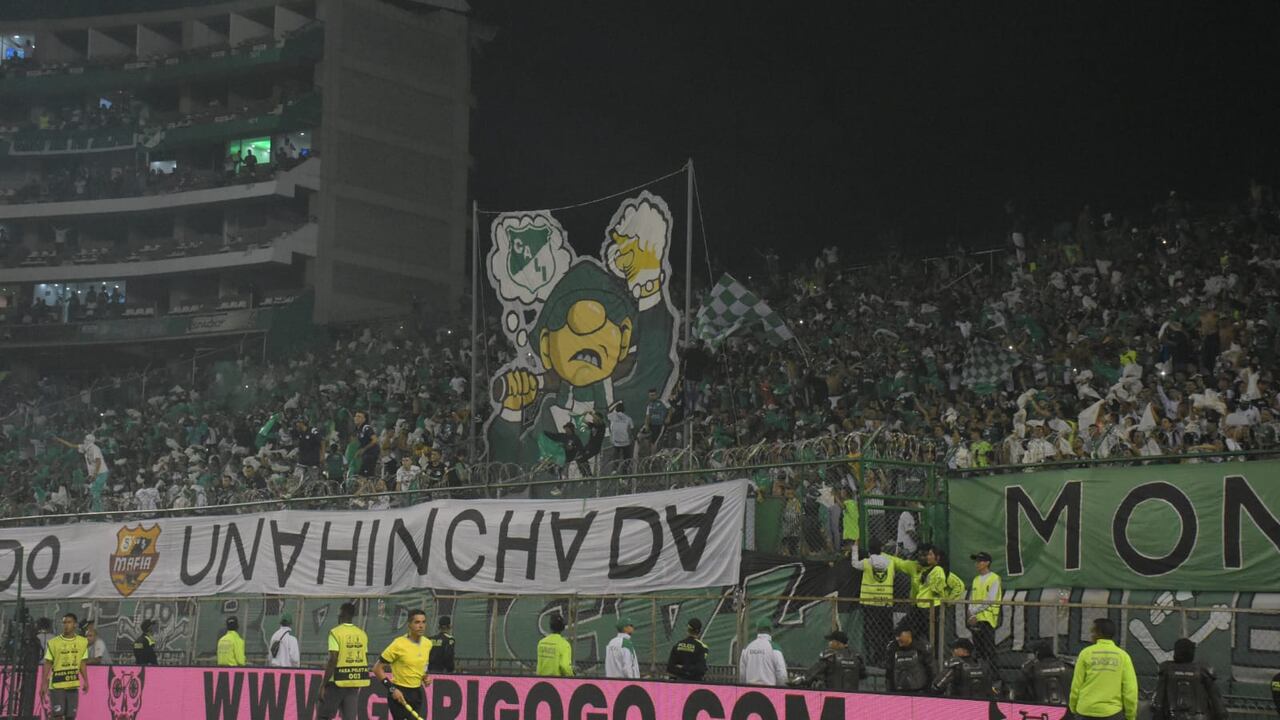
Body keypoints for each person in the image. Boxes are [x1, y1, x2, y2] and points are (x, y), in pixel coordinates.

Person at [1069, 618, 1138, 720]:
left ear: (1099, 633)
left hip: (1085, 711)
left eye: (1093, 631)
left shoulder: (1086, 653)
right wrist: (1130, 715)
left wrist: (1073, 707)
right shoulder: (1123, 656)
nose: (1091, 634)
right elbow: (1130, 689)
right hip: (1112, 712)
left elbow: (1076, 684)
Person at [372, 609, 433, 720]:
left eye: (423, 622)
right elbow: (377, 668)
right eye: (417, 622)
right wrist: (392, 689)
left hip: (417, 692)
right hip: (400, 692)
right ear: (409, 624)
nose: (421, 626)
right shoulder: (398, 644)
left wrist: (425, 677)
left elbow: (422, 667)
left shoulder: (427, 643)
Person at [1151, 638, 1227, 720]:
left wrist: (1157, 714)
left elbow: (1158, 700)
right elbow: (1216, 700)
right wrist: (1221, 714)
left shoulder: (1166, 670)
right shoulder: (1203, 671)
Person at [319, 602, 369, 720]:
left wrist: (323, 684)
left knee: (324, 716)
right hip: (353, 682)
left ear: (341, 613)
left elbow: (333, 660)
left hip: (336, 682)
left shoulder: (335, 633)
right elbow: (364, 658)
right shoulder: (362, 634)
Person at [851, 541, 895, 667]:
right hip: (886, 603)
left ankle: (873, 659)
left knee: (872, 633)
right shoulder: (890, 563)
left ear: (870, 551)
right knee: (886, 632)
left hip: (870, 604)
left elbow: (854, 564)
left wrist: (855, 548)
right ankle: (886, 658)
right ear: (881, 549)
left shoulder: (866, 563)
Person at [42, 613, 89, 720]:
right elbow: (48, 662)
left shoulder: (82, 642)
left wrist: (86, 680)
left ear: (75, 625)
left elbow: (82, 662)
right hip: (56, 685)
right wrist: (44, 684)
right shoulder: (54, 642)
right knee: (58, 716)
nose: (66, 625)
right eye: (64, 622)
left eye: (69, 622)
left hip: (72, 684)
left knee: (71, 717)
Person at [793, 630, 866, 691]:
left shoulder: (830, 656)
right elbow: (863, 675)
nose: (829, 643)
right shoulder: (857, 656)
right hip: (854, 697)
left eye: (831, 641)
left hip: (833, 696)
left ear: (837, 643)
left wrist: (801, 679)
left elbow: (814, 671)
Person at [966, 551, 1002, 669]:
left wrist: (974, 611)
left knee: (989, 650)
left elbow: (990, 600)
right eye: (976, 561)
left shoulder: (994, 578)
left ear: (987, 563)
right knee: (978, 650)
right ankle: (980, 674)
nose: (977, 564)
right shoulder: (976, 579)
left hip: (988, 620)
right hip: (976, 619)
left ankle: (994, 678)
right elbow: (972, 597)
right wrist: (971, 614)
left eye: (980, 561)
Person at [54, 434, 107, 511]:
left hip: (101, 472)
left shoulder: (95, 449)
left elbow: (98, 462)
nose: (84, 440)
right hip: (96, 473)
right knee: (93, 492)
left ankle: (99, 512)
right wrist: (59, 439)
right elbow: (72, 445)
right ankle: (96, 511)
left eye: (86, 439)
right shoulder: (85, 447)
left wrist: (94, 474)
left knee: (95, 492)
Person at [1019, 640, 1072, 705]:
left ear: (1036, 654)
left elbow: (1020, 694)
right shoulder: (1069, 665)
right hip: (1069, 709)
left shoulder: (1030, 668)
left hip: (1040, 710)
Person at [739, 619, 788, 687]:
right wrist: (780, 688)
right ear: (771, 630)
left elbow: (742, 674)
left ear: (757, 630)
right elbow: (782, 675)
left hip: (750, 690)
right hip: (769, 691)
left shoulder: (747, 648)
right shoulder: (775, 648)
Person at [885, 628, 932, 694]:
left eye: (899, 635)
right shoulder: (892, 648)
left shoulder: (921, 647)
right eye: (896, 636)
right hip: (898, 692)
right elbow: (888, 673)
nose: (897, 638)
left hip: (920, 692)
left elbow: (931, 670)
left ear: (908, 634)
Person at [607, 401, 635, 471]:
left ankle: (615, 471)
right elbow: (631, 430)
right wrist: (632, 439)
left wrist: (615, 404)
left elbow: (608, 411)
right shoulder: (628, 418)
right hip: (626, 442)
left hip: (616, 442)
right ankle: (624, 473)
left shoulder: (612, 416)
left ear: (616, 409)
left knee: (615, 458)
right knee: (626, 459)